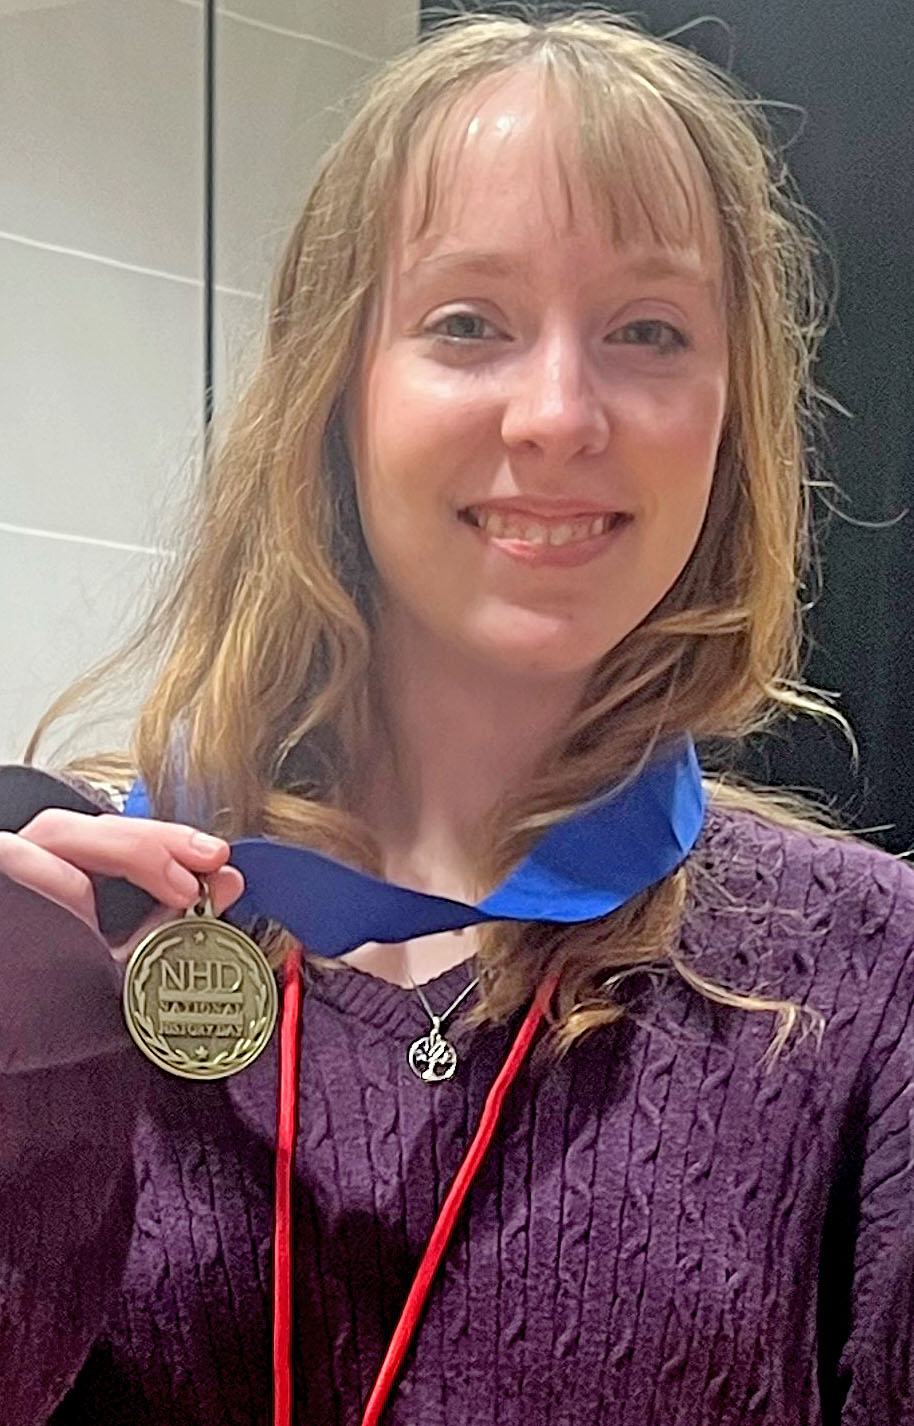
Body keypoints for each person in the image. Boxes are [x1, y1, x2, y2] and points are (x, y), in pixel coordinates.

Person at [1, 8, 912, 1425]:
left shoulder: (868, 979)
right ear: (336, 390)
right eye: (467, 322)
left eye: (646, 330)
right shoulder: (79, 914)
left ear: (729, 417)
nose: (556, 413)